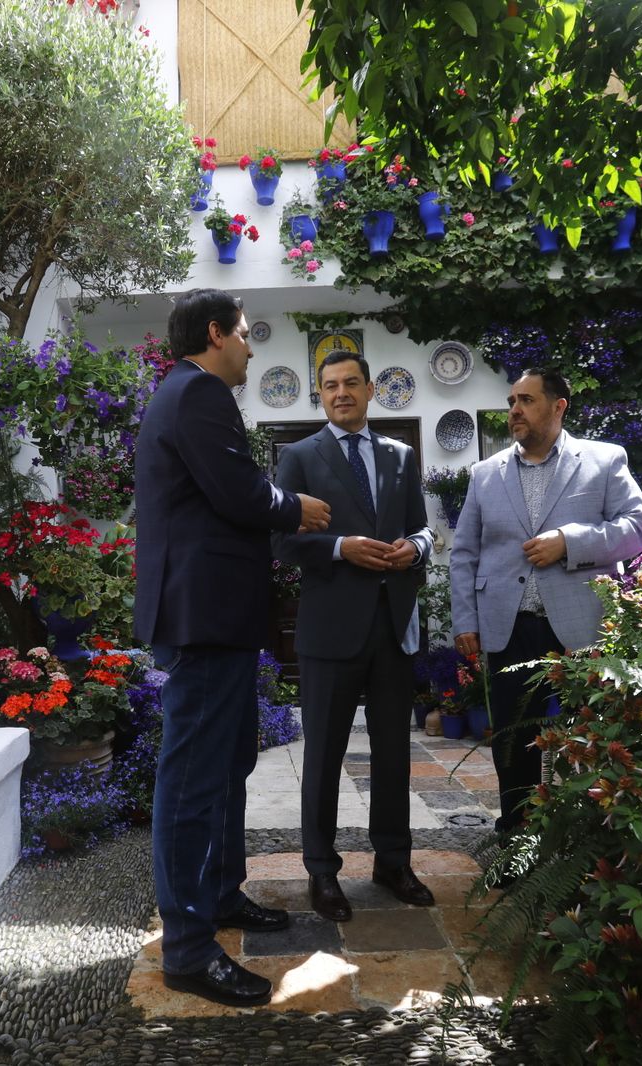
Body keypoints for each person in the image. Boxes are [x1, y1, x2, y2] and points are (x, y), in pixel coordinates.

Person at [134, 288, 331, 1007]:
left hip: (212, 616)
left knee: (227, 765)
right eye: (245, 335)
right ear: (215, 334)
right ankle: (188, 950)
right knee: (192, 780)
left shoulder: (183, 393)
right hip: (203, 619)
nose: (251, 347)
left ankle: (219, 896)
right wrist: (295, 507)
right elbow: (241, 494)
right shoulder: (199, 394)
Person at [449, 368, 642, 840]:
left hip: (583, 627)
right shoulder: (484, 474)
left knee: (592, 739)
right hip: (509, 627)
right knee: (513, 742)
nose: (514, 410)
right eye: (511, 400)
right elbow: (464, 553)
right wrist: (465, 620)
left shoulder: (603, 461)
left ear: (559, 406)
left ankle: (592, 839)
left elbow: (638, 529)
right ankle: (516, 838)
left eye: (526, 400)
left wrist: (570, 542)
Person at [271, 350, 437, 923]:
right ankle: (321, 870)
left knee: (394, 752)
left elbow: (422, 528)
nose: (340, 392)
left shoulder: (400, 456)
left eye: (350, 383)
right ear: (320, 396)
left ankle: (393, 861)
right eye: (329, 385)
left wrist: (415, 547)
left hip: (393, 624)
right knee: (323, 754)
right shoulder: (298, 457)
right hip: (330, 628)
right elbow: (282, 542)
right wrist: (341, 547)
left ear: (370, 390)